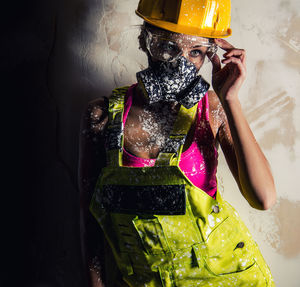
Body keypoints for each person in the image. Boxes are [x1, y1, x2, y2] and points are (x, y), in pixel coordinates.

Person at [79, 0, 276, 286]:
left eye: (195, 52)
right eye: (170, 47)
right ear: (145, 41)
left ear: (207, 55)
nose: (181, 63)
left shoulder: (212, 110)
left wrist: (229, 98)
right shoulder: (101, 118)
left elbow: (264, 198)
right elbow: (91, 221)